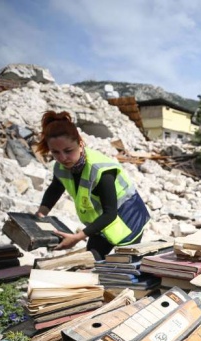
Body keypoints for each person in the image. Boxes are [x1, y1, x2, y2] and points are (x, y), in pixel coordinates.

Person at [35, 111, 150, 259]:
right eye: (56, 152)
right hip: (101, 221)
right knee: (92, 262)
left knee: (125, 270)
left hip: (128, 217)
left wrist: (77, 237)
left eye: (68, 151)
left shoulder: (100, 170)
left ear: (80, 144)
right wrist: (41, 214)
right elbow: (56, 188)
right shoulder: (61, 168)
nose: (63, 158)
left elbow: (110, 214)